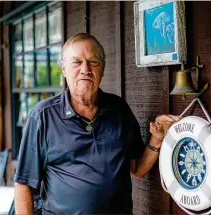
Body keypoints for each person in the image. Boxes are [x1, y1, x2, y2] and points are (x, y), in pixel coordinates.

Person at [14, 33, 181, 215]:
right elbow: (23, 184)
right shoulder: (43, 116)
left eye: (93, 62)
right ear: (63, 68)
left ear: (102, 68)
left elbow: (138, 168)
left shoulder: (119, 110)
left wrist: (157, 139)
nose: (85, 69)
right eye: (76, 62)